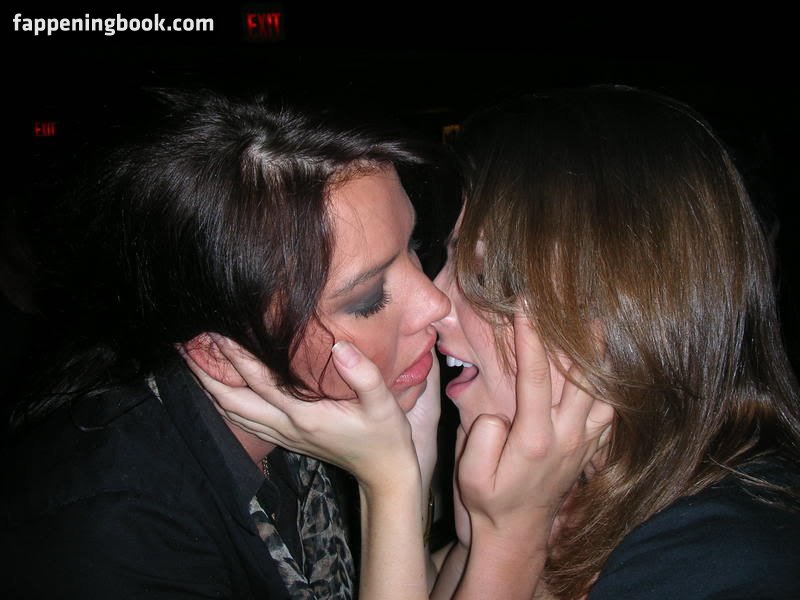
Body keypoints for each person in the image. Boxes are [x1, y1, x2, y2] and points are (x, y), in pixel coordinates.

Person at [206, 87, 800, 599]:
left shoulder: (722, 563)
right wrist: (422, 481)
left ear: (622, 308)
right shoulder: (581, 482)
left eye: (485, 278)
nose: (435, 302)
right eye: (442, 258)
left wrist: (501, 538)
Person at [2, 89, 453, 599]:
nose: (435, 303)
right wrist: (391, 483)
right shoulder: (112, 537)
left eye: (413, 246)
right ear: (218, 355)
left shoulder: (313, 428)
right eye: (367, 298)